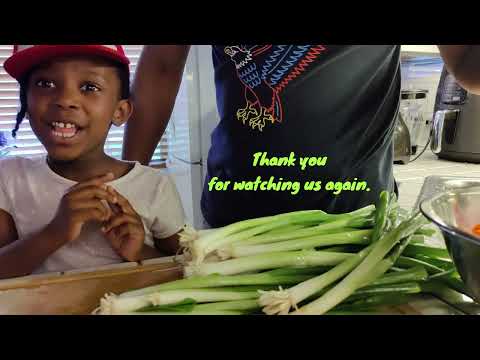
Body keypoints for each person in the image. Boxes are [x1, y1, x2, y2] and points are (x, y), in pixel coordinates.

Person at [122, 45, 480, 228]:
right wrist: (131, 183)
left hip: (357, 226)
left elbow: (466, 61)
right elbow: (162, 65)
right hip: (234, 227)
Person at [0, 45, 186, 279]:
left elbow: (188, 270)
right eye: (45, 84)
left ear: (120, 111)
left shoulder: (154, 186)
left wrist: (140, 252)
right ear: (25, 104)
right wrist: (55, 232)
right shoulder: (10, 177)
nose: (66, 100)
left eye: (90, 87)